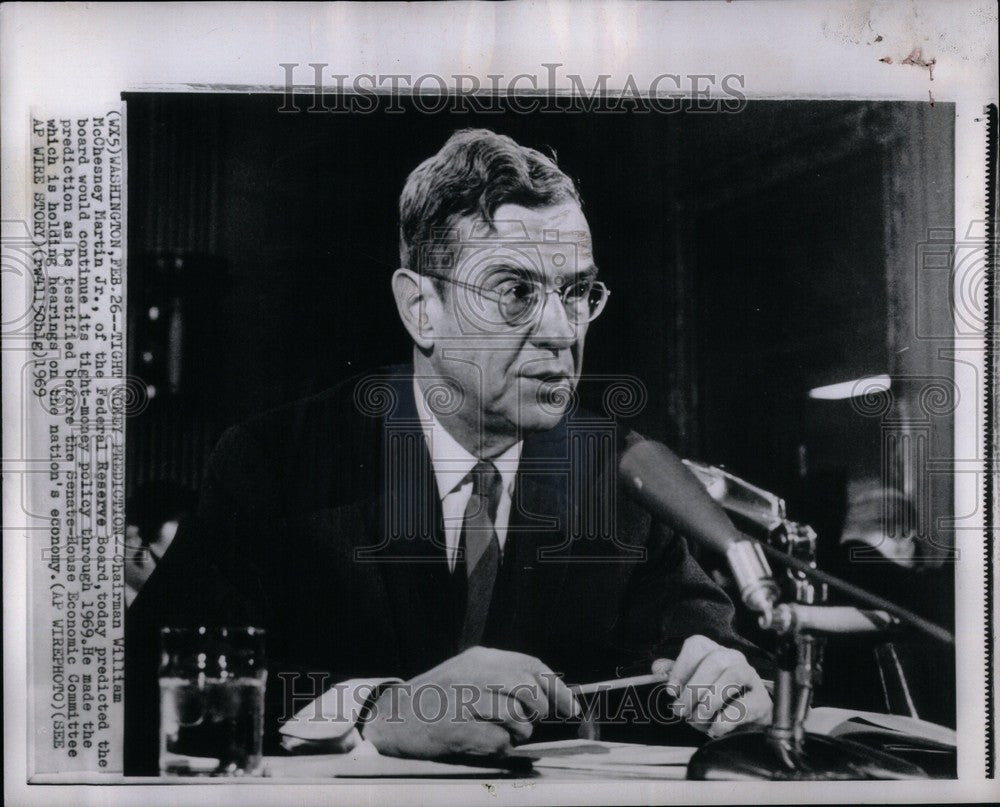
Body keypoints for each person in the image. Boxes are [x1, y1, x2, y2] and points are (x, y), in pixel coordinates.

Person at [125, 128, 771, 773]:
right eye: (516, 292)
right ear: (420, 308)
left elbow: (710, 647)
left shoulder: (621, 475)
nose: (560, 330)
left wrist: (725, 681)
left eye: (577, 293)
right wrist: (377, 709)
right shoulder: (277, 462)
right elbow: (150, 684)